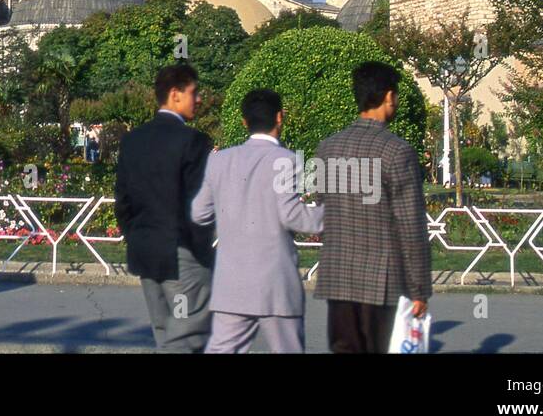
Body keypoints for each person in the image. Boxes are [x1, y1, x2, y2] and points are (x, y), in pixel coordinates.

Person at [192, 88, 323, 353]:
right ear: (280, 117)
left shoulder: (220, 161)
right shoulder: (286, 160)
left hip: (232, 282)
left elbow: (199, 213)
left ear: (244, 121)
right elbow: (292, 215)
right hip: (276, 282)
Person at [313, 61, 431, 353]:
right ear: (389, 96)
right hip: (381, 281)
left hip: (337, 276)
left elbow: (322, 204)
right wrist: (419, 289)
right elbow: (411, 225)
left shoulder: (327, 148)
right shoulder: (397, 151)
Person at [113, 64, 215, 353]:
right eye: (194, 92)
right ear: (175, 94)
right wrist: (201, 251)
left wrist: (137, 236)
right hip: (182, 256)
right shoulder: (193, 141)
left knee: (164, 330)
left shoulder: (133, 141)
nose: (198, 100)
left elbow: (123, 201)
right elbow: (199, 205)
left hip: (146, 253)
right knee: (186, 334)